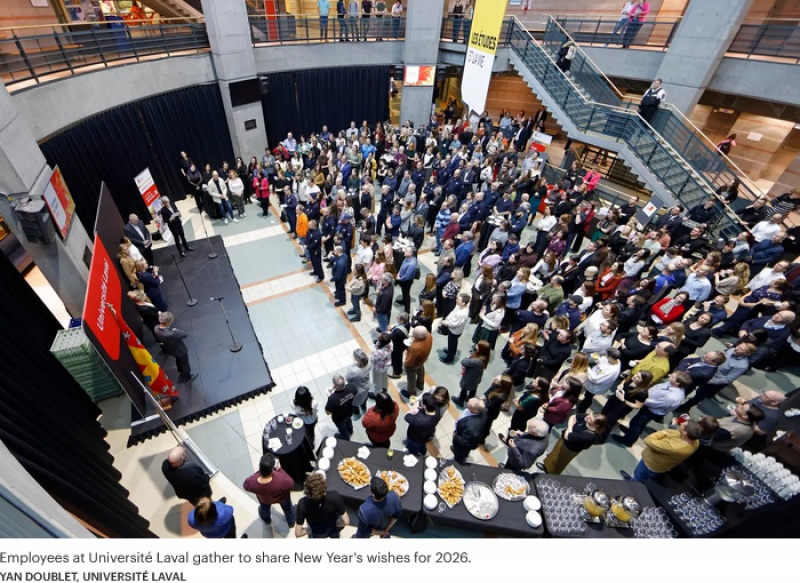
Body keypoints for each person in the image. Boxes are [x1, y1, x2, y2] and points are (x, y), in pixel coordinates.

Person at [612, 371, 691, 446]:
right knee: (637, 422)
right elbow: (656, 388)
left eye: (672, 376)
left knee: (637, 424)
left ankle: (628, 440)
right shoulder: (671, 384)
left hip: (652, 411)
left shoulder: (672, 397)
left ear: (677, 383)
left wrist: (640, 399)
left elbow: (655, 404)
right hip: (648, 404)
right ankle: (630, 432)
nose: (669, 375)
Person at [621, 419, 702, 482]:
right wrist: (670, 434)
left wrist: (663, 432)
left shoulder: (674, 447)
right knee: (641, 477)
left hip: (650, 464)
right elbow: (677, 433)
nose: (680, 424)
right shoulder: (695, 441)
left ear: (685, 433)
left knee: (639, 477)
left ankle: (631, 485)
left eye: (682, 425)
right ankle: (632, 480)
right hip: (661, 465)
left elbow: (648, 440)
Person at [537, 412, 606, 474]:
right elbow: (573, 417)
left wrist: (569, 430)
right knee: (555, 453)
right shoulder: (587, 418)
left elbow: (568, 436)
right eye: (589, 415)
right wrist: (570, 430)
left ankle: (549, 471)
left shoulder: (589, 436)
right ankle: (549, 461)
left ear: (596, 425)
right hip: (565, 441)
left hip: (569, 449)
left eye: (590, 419)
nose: (587, 417)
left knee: (559, 461)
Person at [242, 453, 296, 527]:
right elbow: (291, 483)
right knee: (288, 509)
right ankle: (291, 522)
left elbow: (245, 485)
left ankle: (266, 520)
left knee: (264, 509)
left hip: (264, 499)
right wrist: (280, 469)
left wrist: (259, 472)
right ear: (272, 469)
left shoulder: (252, 482)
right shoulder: (281, 479)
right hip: (282, 498)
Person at [295, 472, 349, 538]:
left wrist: (311, 529)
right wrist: (335, 524)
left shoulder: (302, 504)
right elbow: (346, 521)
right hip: (333, 530)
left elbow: (298, 533)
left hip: (317, 533)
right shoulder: (335, 497)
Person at [153, 312, 197, 384]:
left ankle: (180, 371)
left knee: (178, 360)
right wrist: (175, 330)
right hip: (179, 349)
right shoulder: (172, 333)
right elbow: (184, 334)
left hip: (170, 348)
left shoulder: (156, 328)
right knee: (184, 363)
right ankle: (188, 378)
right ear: (168, 322)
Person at [452, 341, 490, 407]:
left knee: (464, 389)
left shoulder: (477, 361)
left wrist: (468, 357)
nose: (476, 345)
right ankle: (469, 398)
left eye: (478, 345)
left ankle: (460, 400)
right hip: (476, 377)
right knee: (473, 389)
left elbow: (464, 362)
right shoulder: (484, 358)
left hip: (469, 378)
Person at [451, 397, 487, 464]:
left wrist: (455, 436)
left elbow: (465, 442)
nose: (467, 403)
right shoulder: (479, 411)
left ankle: (458, 460)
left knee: (460, 455)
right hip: (463, 430)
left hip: (462, 443)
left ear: (475, 410)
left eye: (469, 405)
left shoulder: (472, 427)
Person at [402, 326, 433, 398]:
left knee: (411, 378)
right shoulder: (429, 336)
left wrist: (405, 363)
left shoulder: (415, 347)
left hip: (414, 365)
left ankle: (411, 393)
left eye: (414, 333)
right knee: (420, 372)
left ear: (418, 336)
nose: (412, 334)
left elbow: (410, 362)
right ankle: (420, 385)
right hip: (422, 360)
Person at [325, 374, 357, 439]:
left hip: (339, 418)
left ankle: (345, 438)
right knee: (349, 422)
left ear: (335, 385)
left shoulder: (332, 399)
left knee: (342, 429)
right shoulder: (351, 387)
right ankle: (350, 431)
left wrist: (330, 395)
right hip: (349, 412)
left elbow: (328, 412)